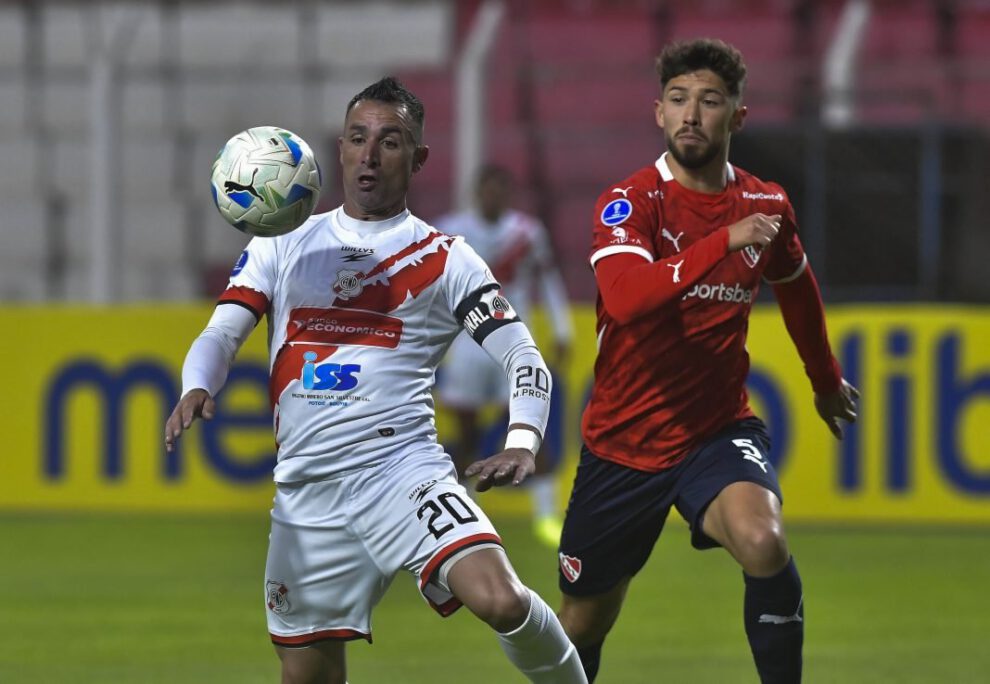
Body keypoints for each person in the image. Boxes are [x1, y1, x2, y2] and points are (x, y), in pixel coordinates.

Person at [165, 77, 586, 684]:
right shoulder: (282, 243)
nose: (369, 155)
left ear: (417, 160)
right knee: (307, 674)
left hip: (401, 472)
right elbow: (222, 333)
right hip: (307, 493)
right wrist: (197, 383)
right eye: (358, 138)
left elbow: (524, 357)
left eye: (390, 143)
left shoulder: (446, 258)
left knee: (500, 598)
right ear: (338, 149)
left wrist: (522, 440)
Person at [555, 39, 859, 683]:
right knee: (583, 624)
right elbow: (628, 299)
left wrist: (825, 381)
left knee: (764, 541)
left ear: (737, 118)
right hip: (622, 443)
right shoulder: (630, 202)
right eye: (678, 99)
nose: (692, 113)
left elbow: (797, 284)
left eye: (710, 100)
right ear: (659, 114)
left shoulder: (767, 204)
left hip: (714, 433)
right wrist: (724, 240)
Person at [434, 165, 573, 548]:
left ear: (508, 194)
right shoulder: (450, 231)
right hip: (465, 346)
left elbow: (548, 280)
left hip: (512, 347)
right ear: (477, 193)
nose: (493, 197)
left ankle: (546, 518)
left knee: (530, 435)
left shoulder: (527, 233)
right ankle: (464, 519)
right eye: (487, 190)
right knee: (466, 439)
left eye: (500, 190)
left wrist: (562, 330)